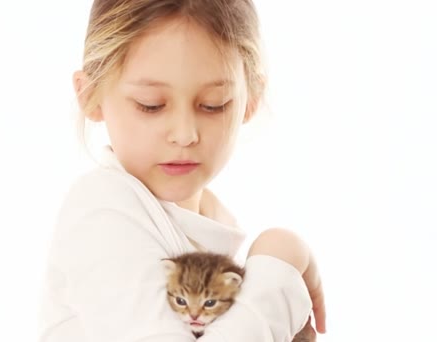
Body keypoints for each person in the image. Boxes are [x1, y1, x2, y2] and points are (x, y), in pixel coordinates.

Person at [38, 0, 327, 341]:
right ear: (90, 95)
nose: (185, 135)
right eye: (151, 105)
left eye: (213, 104)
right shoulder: (101, 210)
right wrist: (280, 261)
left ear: (251, 98)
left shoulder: (214, 227)